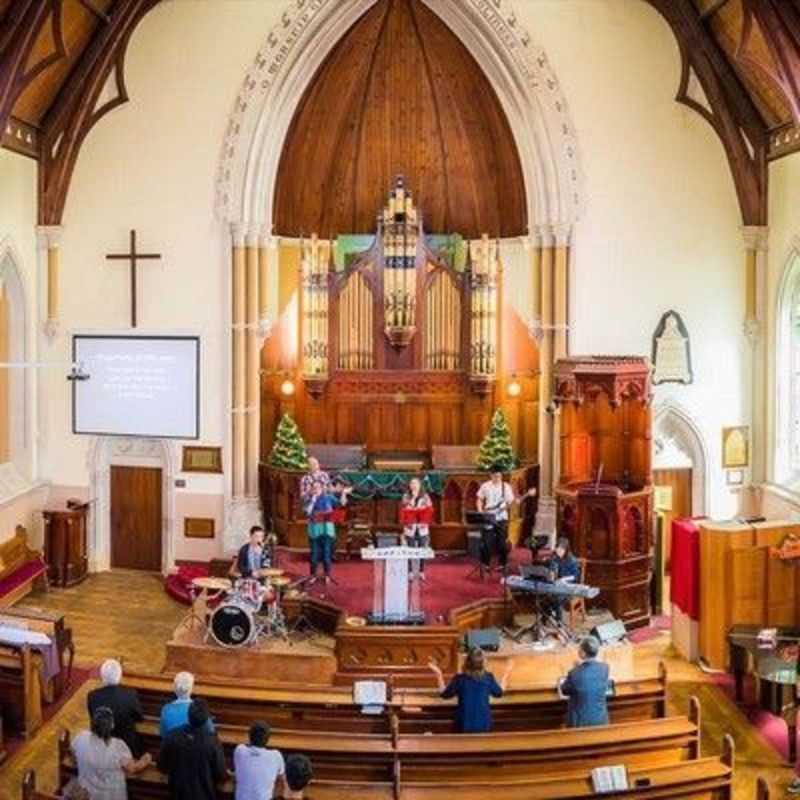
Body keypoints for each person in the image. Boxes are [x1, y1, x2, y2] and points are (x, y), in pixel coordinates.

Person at [72, 706, 151, 800]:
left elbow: (73, 752)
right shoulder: (118, 746)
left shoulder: (81, 737)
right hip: (111, 795)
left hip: (86, 793)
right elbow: (132, 768)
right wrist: (145, 759)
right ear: (112, 725)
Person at [427, 647, 513, 733]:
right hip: (483, 725)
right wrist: (507, 673)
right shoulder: (488, 678)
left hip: (463, 725)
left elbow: (444, 694)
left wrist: (438, 674)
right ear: (483, 663)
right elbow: (499, 693)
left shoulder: (459, 679)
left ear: (467, 662)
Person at [158, 698, 226, 800]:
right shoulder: (213, 741)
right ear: (207, 719)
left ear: (188, 716)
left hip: (178, 794)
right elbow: (220, 774)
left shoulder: (172, 736)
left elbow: (162, 766)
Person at [476, 466, 536, 570]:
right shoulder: (485, 486)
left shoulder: (506, 487)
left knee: (502, 543)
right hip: (489, 516)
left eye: (499, 476)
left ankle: (502, 564)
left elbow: (512, 502)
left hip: (502, 517)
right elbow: (479, 499)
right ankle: (485, 564)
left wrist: (520, 499)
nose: (498, 478)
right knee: (487, 542)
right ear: (491, 475)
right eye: (495, 476)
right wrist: (480, 511)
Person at [87, 659, 144, 758]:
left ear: (102, 676)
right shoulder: (130, 694)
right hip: (126, 744)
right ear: (120, 675)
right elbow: (139, 717)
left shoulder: (92, 696)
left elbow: (93, 718)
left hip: (100, 743)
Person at [304, 478, 351, 583]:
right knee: (314, 554)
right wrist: (313, 500)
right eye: (314, 488)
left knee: (326, 553)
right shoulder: (309, 498)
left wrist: (343, 493)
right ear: (311, 489)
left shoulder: (328, 497)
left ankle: (327, 575)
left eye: (318, 487)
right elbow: (307, 512)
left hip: (327, 529)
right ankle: (313, 575)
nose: (316, 490)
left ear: (322, 488)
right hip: (314, 530)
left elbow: (342, 504)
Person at [560, 636, 611, 728]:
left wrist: (576, 669)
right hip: (601, 721)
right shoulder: (605, 668)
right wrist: (580, 668)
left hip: (579, 725)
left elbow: (564, 690)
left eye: (579, 649)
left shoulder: (574, 673)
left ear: (583, 653)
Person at [233, 721, 285, 800]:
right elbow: (281, 779)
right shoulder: (276, 756)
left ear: (249, 736)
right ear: (268, 739)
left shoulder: (239, 750)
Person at [159, 671, 215, 737]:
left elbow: (163, 733)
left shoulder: (166, 709)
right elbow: (211, 732)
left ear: (174, 689)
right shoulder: (199, 709)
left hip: (172, 746)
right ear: (191, 689)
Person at [400, 477, 433, 579]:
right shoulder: (406, 496)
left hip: (422, 527)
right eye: (412, 483)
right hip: (410, 526)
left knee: (422, 549)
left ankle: (421, 571)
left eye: (416, 483)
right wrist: (413, 499)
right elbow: (404, 507)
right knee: (410, 549)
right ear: (409, 486)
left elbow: (430, 508)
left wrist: (423, 511)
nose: (414, 485)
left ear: (420, 485)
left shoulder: (425, 496)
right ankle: (410, 571)